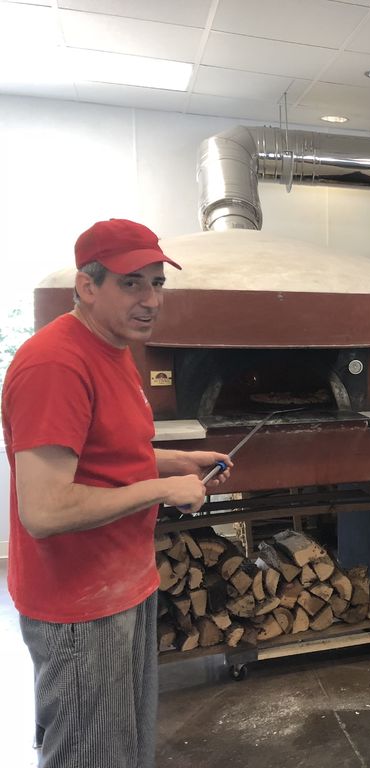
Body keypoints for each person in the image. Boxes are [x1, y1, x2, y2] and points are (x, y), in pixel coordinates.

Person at [1, 219, 234, 767]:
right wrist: (162, 488)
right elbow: (45, 508)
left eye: (158, 283)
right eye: (132, 283)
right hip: (79, 604)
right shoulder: (56, 364)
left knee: (123, 751)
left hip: (123, 584)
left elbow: (103, 455)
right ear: (87, 286)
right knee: (89, 755)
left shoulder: (113, 349)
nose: (151, 299)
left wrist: (180, 462)